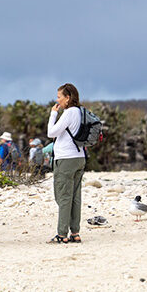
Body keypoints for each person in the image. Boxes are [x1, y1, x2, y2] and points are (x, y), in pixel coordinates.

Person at [47, 83, 86, 244]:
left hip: (66, 159)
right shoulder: (81, 112)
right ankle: (75, 232)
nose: (57, 100)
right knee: (75, 196)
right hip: (79, 157)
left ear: (68, 98)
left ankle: (62, 234)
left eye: (59, 97)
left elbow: (51, 132)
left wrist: (53, 115)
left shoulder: (69, 113)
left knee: (63, 196)